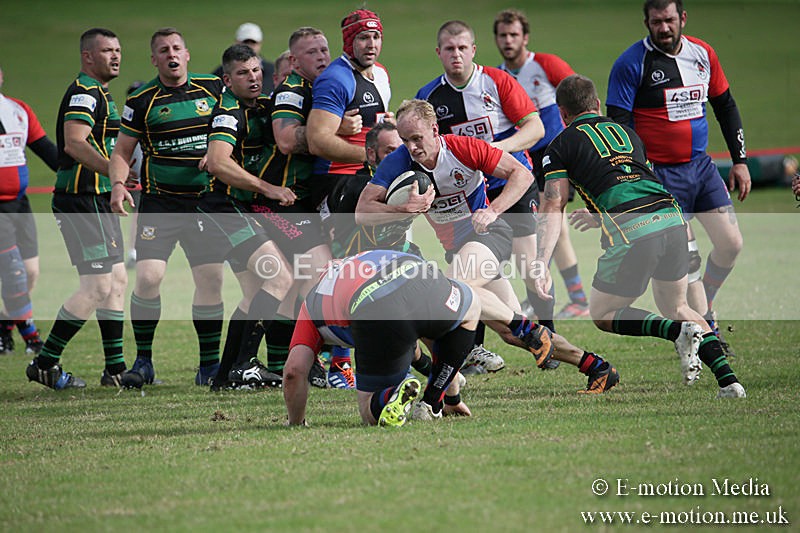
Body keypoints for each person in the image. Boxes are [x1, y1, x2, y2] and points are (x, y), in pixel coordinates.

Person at [357, 99, 620, 394]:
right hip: (460, 251)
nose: (412, 147)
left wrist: (493, 210)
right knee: (511, 333)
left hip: (489, 235)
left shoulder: (462, 148)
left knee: (452, 290)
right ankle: (596, 366)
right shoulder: (399, 161)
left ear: (434, 130)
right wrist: (404, 209)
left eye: (417, 138)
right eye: (406, 140)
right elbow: (362, 211)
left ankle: (440, 394)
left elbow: (521, 174)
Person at [535, 74, 745, 399]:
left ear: (562, 114)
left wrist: (541, 260)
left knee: (603, 313)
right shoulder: (628, 133)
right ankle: (730, 383)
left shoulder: (560, 145)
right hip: (673, 220)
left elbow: (553, 204)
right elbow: (633, 180)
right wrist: (598, 214)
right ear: (597, 105)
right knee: (678, 305)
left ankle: (677, 333)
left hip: (634, 232)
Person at [606, 0, 749, 357]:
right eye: (656, 22)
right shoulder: (631, 63)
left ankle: (706, 303)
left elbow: (725, 106)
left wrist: (740, 160)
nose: (664, 28)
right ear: (646, 23)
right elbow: (619, 125)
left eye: (669, 20)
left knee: (731, 244)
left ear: (682, 18)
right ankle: (709, 334)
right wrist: (635, 178)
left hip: (701, 168)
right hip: (658, 176)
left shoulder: (703, 54)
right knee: (687, 260)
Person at [415, 20, 549, 372]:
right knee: (475, 270)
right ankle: (474, 349)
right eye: (449, 49)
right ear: (439, 53)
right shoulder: (430, 97)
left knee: (528, 265)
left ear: (473, 49)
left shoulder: (497, 81)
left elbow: (536, 127)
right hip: (470, 194)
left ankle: (548, 337)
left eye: (462, 48)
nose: (456, 54)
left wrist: (496, 150)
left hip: (511, 183)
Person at [109, 28, 226, 386]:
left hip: (205, 202)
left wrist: (219, 154)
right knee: (148, 278)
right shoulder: (141, 100)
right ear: (154, 60)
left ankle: (209, 367)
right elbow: (121, 152)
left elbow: (235, 130)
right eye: (163, 50)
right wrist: (118, 185)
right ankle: (143, 361)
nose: (171, 54)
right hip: (160, 204)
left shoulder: (213, 88)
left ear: (187, 54)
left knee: (211, 279)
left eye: (176, 48)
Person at [27, 28, 142, 390]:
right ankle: (44, 363)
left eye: (118, 49)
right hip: (80, 199)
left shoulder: (100, 93)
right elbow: (74, 144)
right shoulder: (84, 92)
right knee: (97, 285)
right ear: (87, 56)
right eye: (107, 50)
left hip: (97, 198)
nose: (116, 56)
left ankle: (115, 370)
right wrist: (114, 172)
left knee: (117, 280)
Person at [199, 43, 297, 390]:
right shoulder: (228, 112)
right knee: (280, 277)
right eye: (243, 73)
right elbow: (218, 162)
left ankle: (225, 376)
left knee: (256, 290)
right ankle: (244, 365)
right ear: (228, 80)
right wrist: (268, 188)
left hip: (237, 209)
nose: (253, 78)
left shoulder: (263, 106)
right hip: (224, 208)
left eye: (256, 70)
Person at [283, 250, 474, 426]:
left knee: (367, 411)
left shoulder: (311, 305)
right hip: (421, 274)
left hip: (372, 304)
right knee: (470, 310)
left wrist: (295, 422)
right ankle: (434, 401)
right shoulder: (364, 256)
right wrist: (452, 397)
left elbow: (294, 370)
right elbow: (422, 345)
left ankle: (391, 395)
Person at [305, 8, 392, 385]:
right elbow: (317, 140)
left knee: (375, 267)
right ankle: (339, 364)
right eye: (363, 38)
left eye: (376, 37)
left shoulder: (380, 74)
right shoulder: (336, 79)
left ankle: (371, 354)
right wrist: (371, 156)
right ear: (348, 42)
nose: (370, 44)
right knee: (348, 270)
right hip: (337, 186)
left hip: (367, 184)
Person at [493, 9, 590, 320]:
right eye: (503, 35)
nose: (508, 41)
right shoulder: (496, 76)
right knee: (538, 228)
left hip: (554, 154)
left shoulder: (546, 64)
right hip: (522, 159)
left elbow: (580, 98)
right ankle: (551, 295)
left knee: (550, 226)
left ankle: (572, 298)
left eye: (514, 34)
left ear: (525, 37)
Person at [253, 27, 334, 381]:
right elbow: (286, 141)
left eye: (324, 50)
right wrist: (330, 132)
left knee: (299, 282)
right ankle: (249, 360)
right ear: (293, 60)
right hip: (277, 199)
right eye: (311, 52)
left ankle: (283, 363)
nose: (321, 57)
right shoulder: (291, 89)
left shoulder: (322, 89)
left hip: (302, 202)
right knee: (318, 271)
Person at [0, 66, 57, 355]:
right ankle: (32, 339)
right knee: (14, 272)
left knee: (31, 272)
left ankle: (4, 327)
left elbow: (47, 151)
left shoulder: (18, 110)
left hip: (20, 205)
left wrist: (83, 173)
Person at [212, 22, 276, 94]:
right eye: (245, 42)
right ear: (236, 42)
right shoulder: (221, 72)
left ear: (260, 44)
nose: (249, 46)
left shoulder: (273, 70)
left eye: (253, 43)